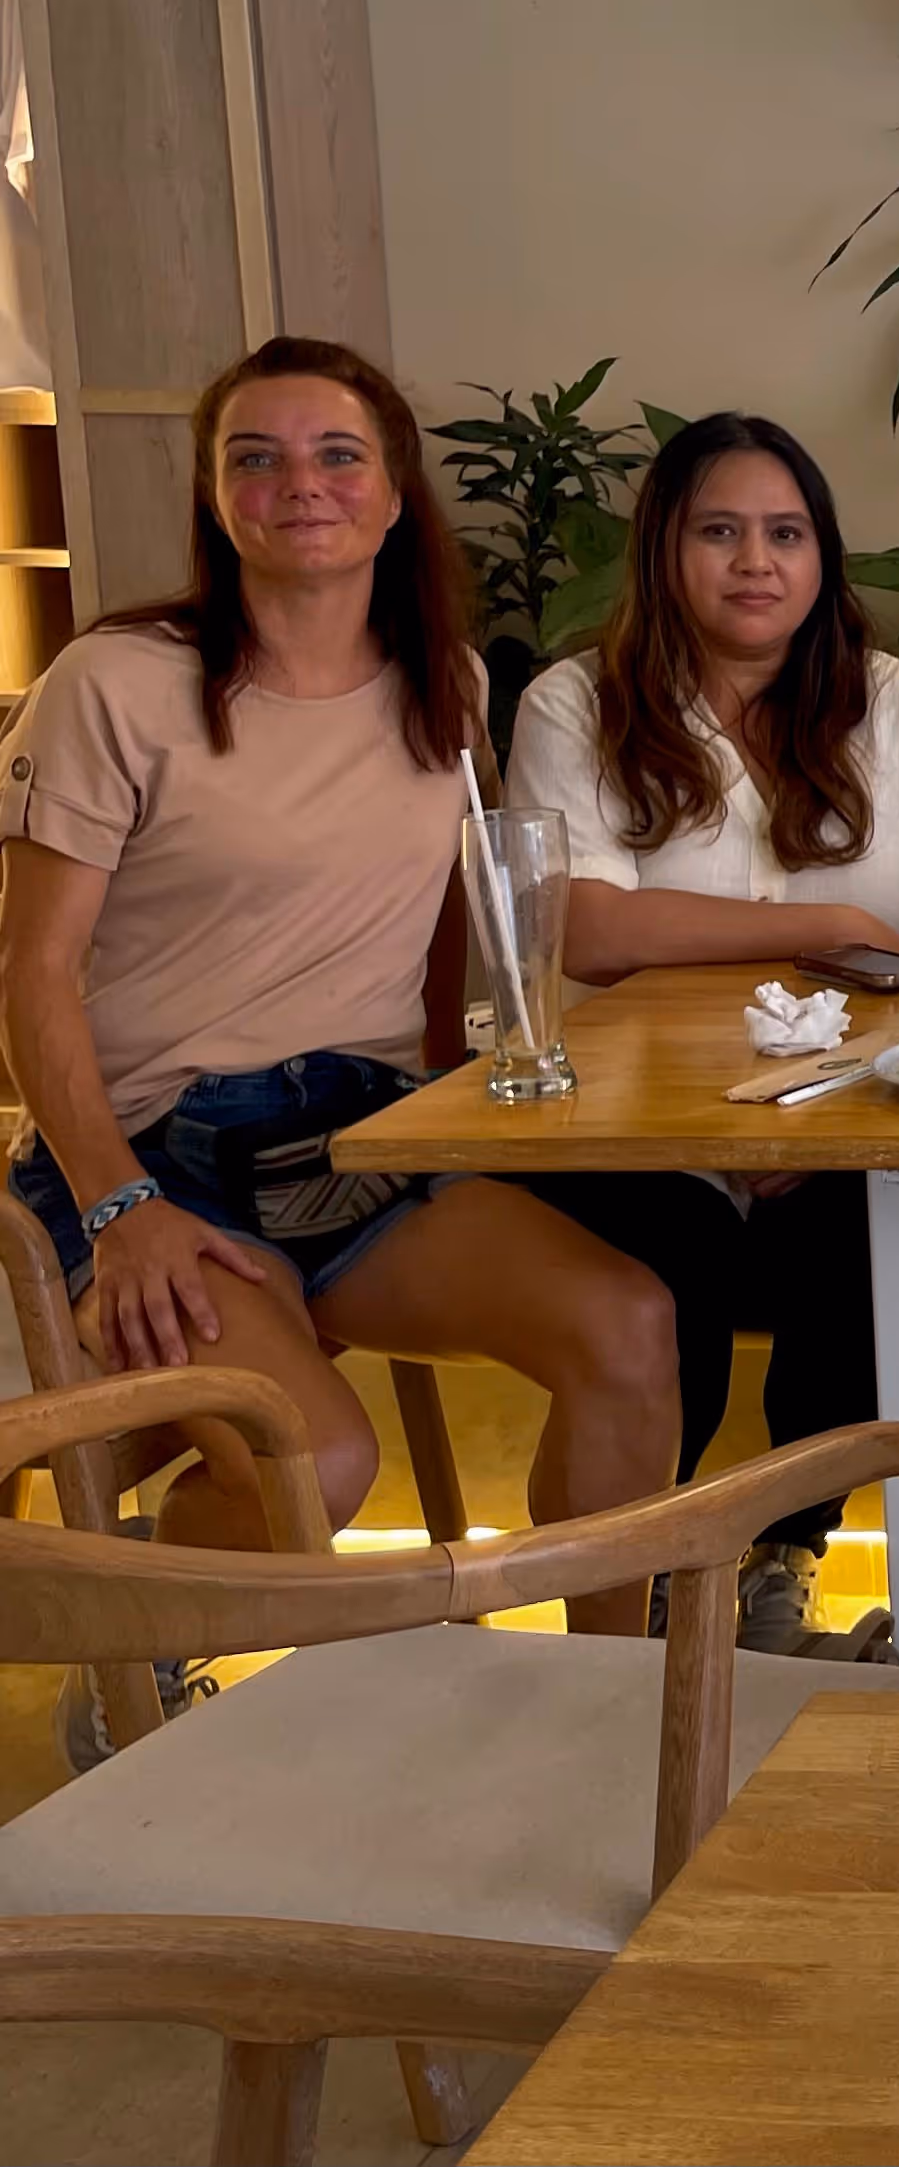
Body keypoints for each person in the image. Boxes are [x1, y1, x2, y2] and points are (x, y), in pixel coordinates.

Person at [0, 339, 679, 1760]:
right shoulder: (116, 681)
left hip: (358, 1138)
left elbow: (449, 942)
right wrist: (118, 1208)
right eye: (256, 455)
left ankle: (612, 1720)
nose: (296, 482)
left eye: (334, 455)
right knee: (316, 1457)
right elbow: (33, 971)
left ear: (390, 497)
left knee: (629, 1323)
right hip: (152, 1157)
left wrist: (484, 1104)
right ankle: (143, 1643)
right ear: (215, 494)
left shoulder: (446, 688)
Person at [504, 413, 899, 1656]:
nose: (755, 561)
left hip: (862, 1115)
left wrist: (840, 1107)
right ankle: (657, 1590)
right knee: (661, 1254)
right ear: (663, 550)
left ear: (822, 555)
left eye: (785, 533)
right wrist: (830, 921)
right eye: (719, 531)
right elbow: (581, 926)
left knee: (868, 1221)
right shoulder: (576, 701)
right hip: (635, 1135)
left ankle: (780, 1564)